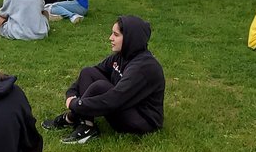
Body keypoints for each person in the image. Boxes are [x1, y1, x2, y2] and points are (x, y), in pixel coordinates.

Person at [42, 16, 166, 144]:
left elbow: (114, 99)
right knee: (88, 72)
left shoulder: (144, 67)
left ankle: (71, 118)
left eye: (116, 35)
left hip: (142, 120)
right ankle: (86, 125)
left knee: (100, 86)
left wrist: (76, 105)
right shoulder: (121, 56)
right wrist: (71, 94)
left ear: (130, 38)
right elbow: (93, 71)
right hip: (125, 104)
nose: (110, 38)